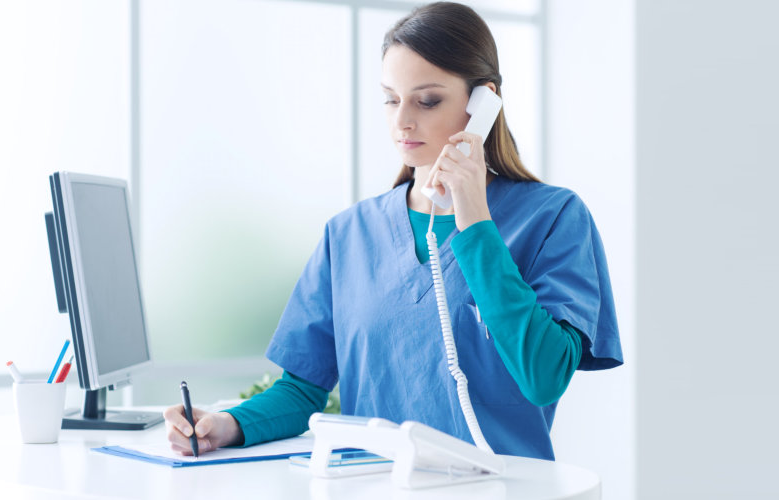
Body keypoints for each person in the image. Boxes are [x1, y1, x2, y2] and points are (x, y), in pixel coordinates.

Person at [162, 1, 621, 461]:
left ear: (483, 102)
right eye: (390, 98)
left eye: (427, 100)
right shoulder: (348, 235)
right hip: (372, 486)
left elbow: (543, 377)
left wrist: (477, 223)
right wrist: (226, 425)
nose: (402, 120)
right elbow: (302, 392)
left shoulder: (554, 218)